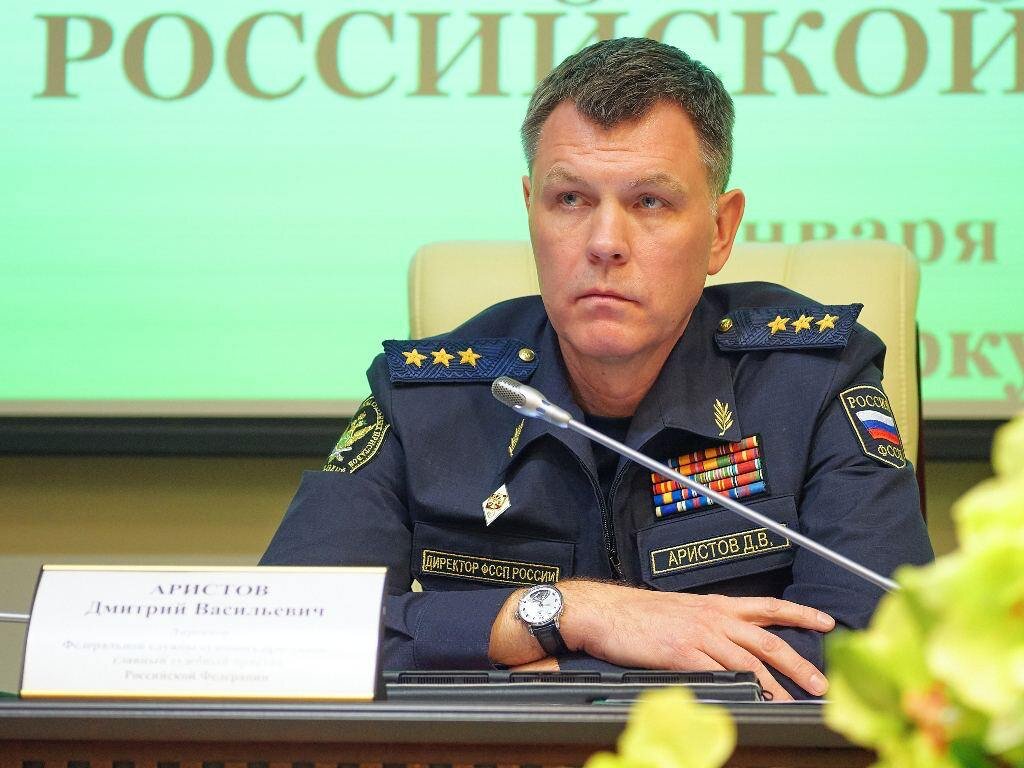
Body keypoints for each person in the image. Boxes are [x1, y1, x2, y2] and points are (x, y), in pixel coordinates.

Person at [261, 37, 933, 701]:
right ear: (531, 211)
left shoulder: (812, 380)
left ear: (721, 231)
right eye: (571, 200)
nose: (606, 243)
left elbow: (882, 649)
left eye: (650, 202)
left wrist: (558, 678)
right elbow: (280, 635)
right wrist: (570, 613)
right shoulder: (427, 398)